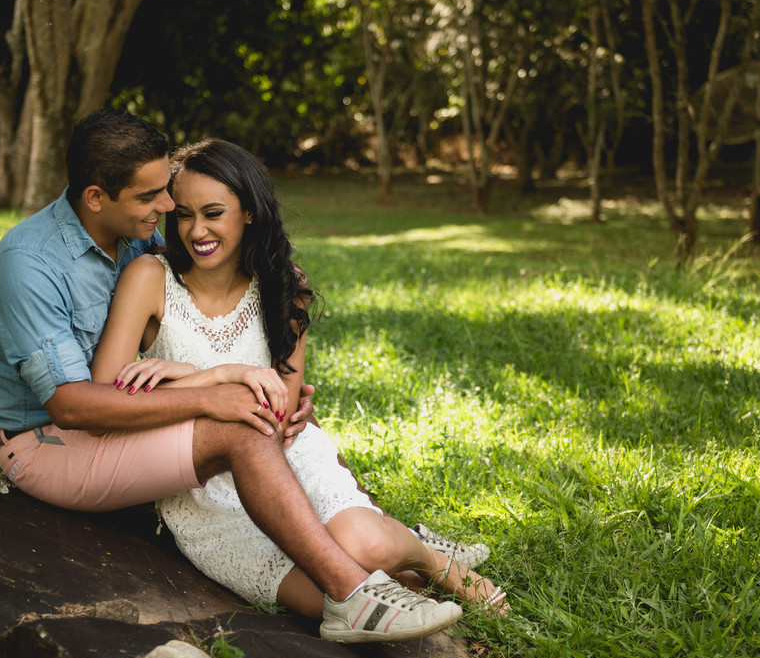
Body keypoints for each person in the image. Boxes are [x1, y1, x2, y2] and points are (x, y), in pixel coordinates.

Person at [0, 108, 470, 642]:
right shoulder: (30, 263)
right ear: (96, 197)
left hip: (118, 420)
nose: (168, 209)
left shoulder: (136, 237)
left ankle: (399, 556)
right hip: (49, 441)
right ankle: (352, 595)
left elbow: (188, 322)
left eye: (169, 192)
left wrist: (244, 383)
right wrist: (217, 387)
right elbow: (73, 407)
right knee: (237, 426)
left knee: (260, 429)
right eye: (153, 198)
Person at [89, 138, 507, 625]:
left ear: (248, 212)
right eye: (183, 214)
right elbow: (105, 396)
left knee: (361, 544)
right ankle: (403, 568)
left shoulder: (282, 282)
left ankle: (431, 560)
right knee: (327, 598)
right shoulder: (149, 277)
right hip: (198, 486)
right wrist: (221, 379)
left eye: (213, 212)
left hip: (285, 452)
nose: (196, 230)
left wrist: (189, 379)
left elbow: (280, 407)